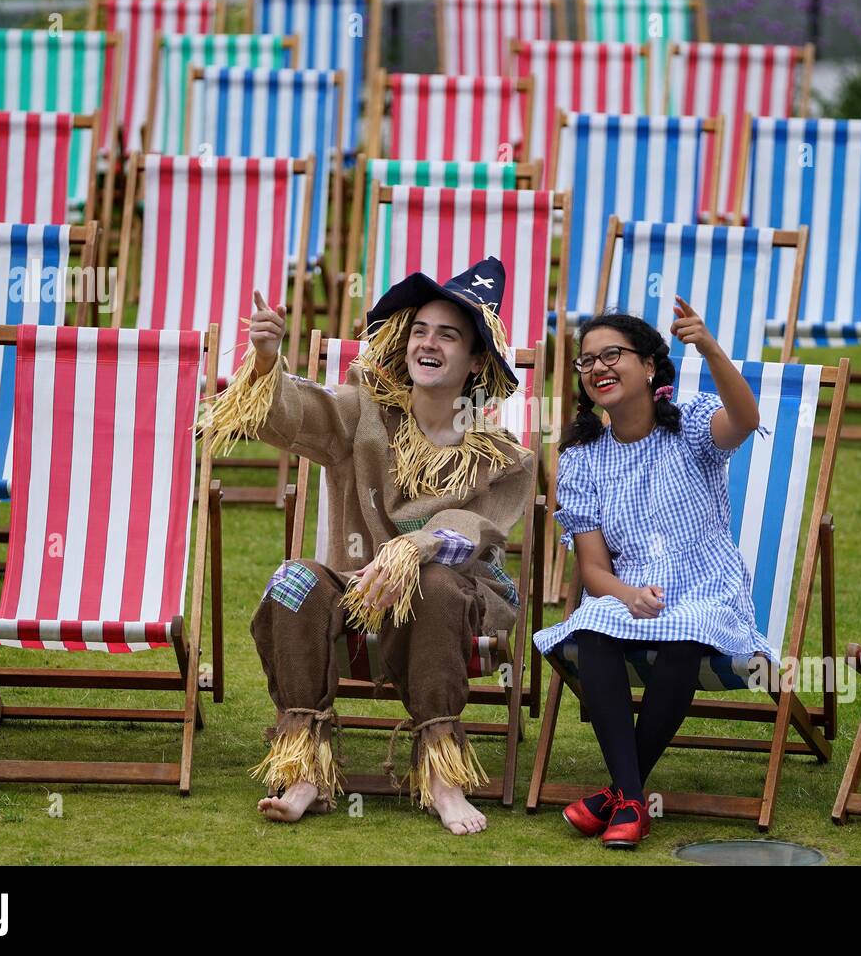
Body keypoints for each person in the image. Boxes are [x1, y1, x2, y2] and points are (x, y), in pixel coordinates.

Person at [203, 257, 535, 835]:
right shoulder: (363, 415)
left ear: (477, 360)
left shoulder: (503, 457)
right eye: (420, 332)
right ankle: (306, 765)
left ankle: (442, 773)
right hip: (356, 590)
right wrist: (265, 360)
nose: (427, 344)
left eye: (448, 335)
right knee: (295, 580)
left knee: (431, 580)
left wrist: (416, 548)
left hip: (452, 598)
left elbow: (471, 531)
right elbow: (295, 413)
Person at [532, 299, 771, 848]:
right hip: (632, 589)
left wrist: (709, 347)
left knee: (683, 635)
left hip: (707, 587)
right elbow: (593, 569)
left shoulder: (690, 427)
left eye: (612, 355)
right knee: (594, 628)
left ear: (648, 367)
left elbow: (747, 420)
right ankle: (633, 799)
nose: (597, 368)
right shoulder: (582, 458)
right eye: (586, 361)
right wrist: (626, 594)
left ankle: (618, 797)